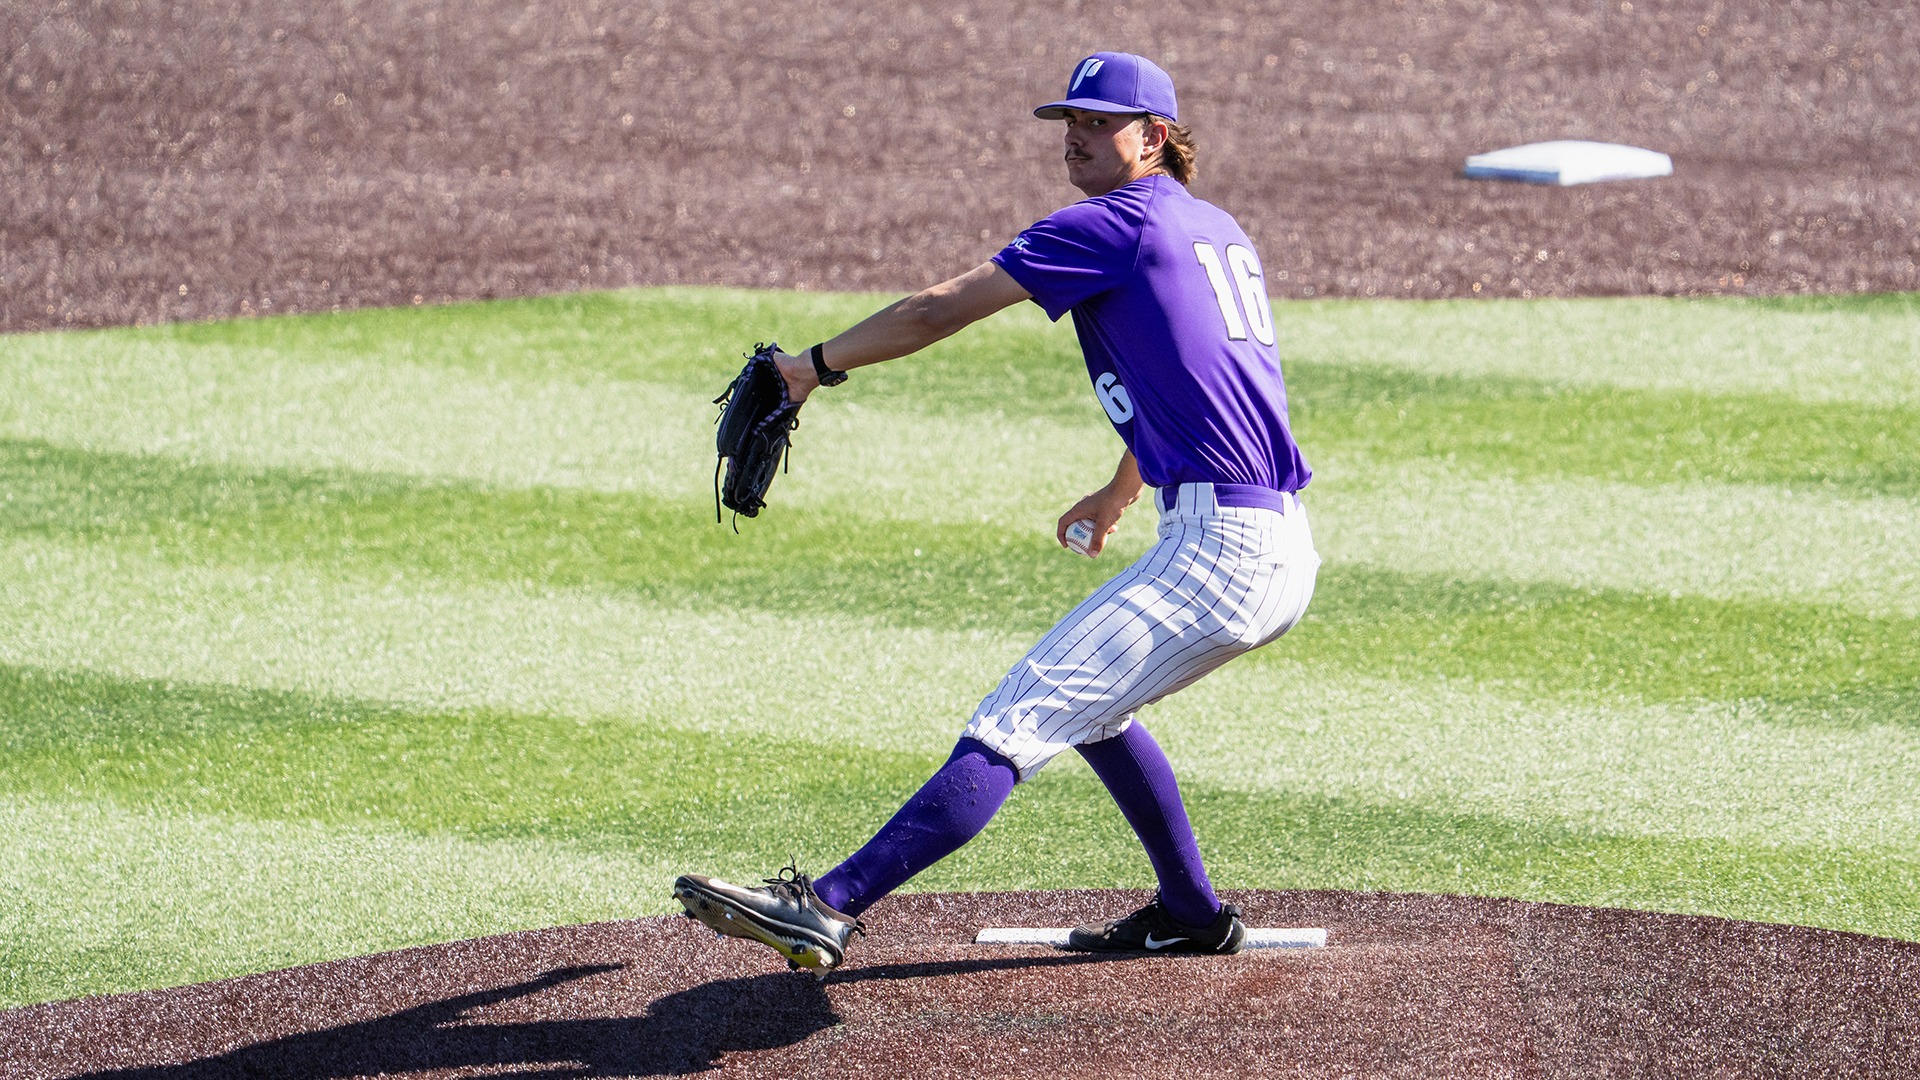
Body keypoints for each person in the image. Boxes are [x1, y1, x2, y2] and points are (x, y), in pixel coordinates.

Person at [673, 51, 1318, 972]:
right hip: (1267, 538)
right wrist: (1121, 489)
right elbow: (1201, 385)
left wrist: (809, 367)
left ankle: (827, 905)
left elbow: (938, 311)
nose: (1076, 137)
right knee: (1096, 712)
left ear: (1155, 137)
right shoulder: (1212, 227)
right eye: (1070, 121)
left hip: (1221, 553)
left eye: (1099, 122)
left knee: (1017, 718)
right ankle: (1191, 912)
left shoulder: (1114, 223)